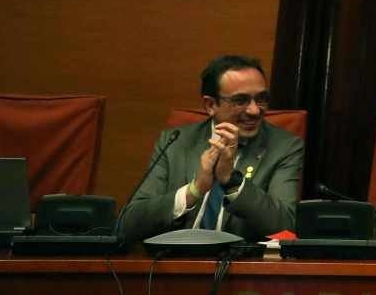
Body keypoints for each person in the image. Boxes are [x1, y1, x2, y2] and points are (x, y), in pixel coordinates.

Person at [121, 55, 303, 245]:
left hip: (241, 266)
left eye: (261, 99)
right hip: (174, 263)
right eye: (240, 101)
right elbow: (128, 225)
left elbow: (285, 227)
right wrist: (196, 189)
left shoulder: (284, 147)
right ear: (210, 105)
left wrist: (232, 182)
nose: (255, 110)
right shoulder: (175, 141)